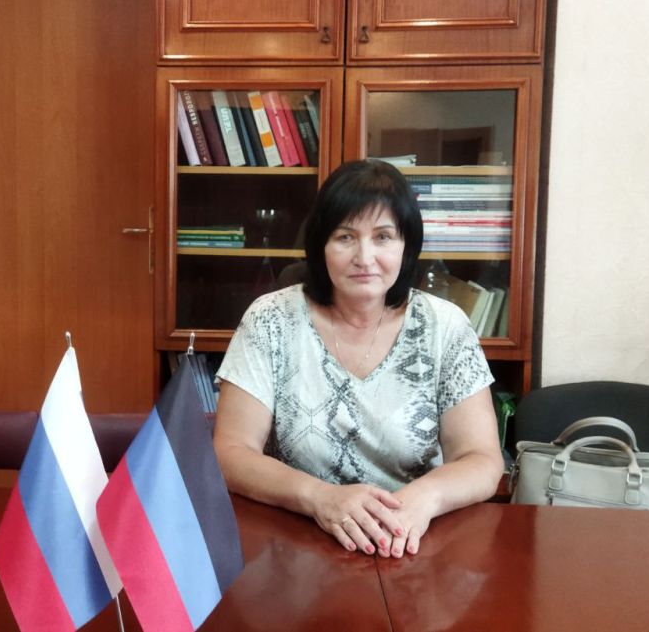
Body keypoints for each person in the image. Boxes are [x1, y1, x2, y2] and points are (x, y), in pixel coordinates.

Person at [213, 159, 504, 559]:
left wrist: (422, 499)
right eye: (345, 237)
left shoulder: (445, 326)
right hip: (293, 538)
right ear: (320, 246)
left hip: (410, 540)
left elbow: (483, 459)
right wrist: (319, 498)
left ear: (406, 246)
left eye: (383, 237)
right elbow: (230, 451)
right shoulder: (270, 320)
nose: (364, 257)